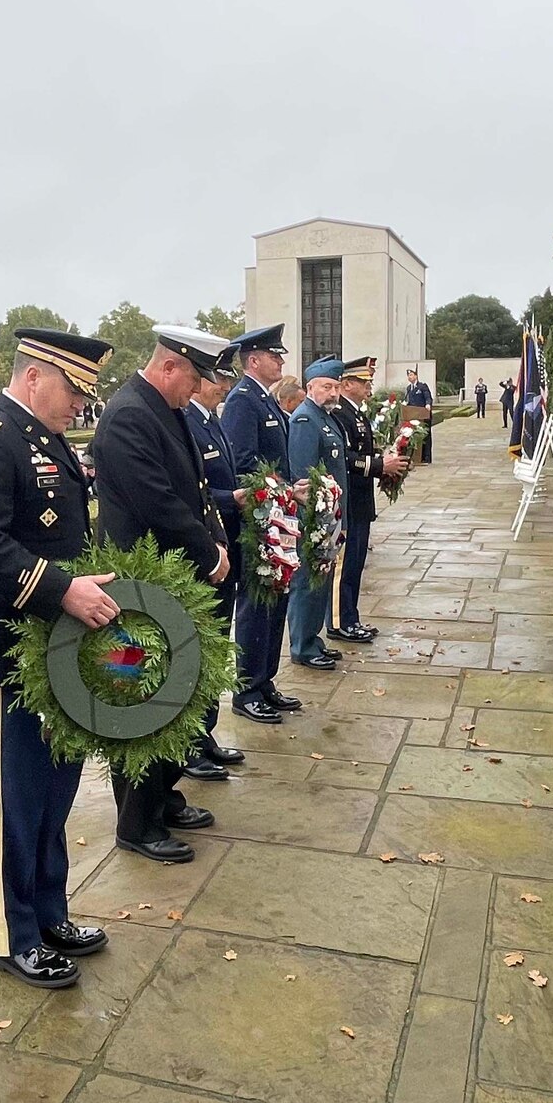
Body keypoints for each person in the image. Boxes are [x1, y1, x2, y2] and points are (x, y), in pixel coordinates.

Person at [0, 328, 118, 990]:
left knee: (54, 794)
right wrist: (60, 588)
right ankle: (11, 936)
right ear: (36, 375)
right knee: (12, 801)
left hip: (57, 647)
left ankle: (49, 912)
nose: (80, 402)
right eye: (74, 388)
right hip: (7, 652)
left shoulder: (45, 439)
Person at [89, 327, 233, 863]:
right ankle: (136, 822)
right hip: (141, 584)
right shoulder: (130, 414)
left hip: (172, 578)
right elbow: (156, 503)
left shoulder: (163, 408)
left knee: (176, 700)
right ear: (169, 366)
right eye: (193, 377)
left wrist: (215, 538)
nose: (195, 390)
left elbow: (194, 490)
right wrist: (207, 548)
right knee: (144, 704)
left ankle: (161, 795)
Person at [219, 325, 300, 725]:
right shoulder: (242, 402)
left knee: (276, 601)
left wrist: (291, 488)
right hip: (258, 522)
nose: (281, 362)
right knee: (256, 604)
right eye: (275, 356)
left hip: (277, 516)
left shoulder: (265, 401)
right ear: (254, 360)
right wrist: (283, 488)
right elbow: (244, 464)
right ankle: (246, 688)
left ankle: (265, 679)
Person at [181, 345, 249, 779]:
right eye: (217, 378)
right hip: (205, 554)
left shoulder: (211, 420)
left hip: (222, 544)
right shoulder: (188, 419)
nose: (224, 385)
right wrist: (233, 499)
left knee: (216, 649)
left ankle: (205, 735)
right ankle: (190, 746)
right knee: (200, 654)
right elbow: (197, 492)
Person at [328, 356, 405, 643]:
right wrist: (377, 466)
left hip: (361, 499)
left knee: (356, 562)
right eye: (363, 381)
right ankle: (339, 622)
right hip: (348, 499)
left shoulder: (357, 413)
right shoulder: (339, 413)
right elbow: (345, 458)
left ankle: (351, 617)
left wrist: (383, 462)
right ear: (347, 384)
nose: (369, 385)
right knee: (345, 565)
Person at [287, 358, 349, 670]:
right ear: (310, 387)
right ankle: (302, 645)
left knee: (321, 582)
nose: (333, 392)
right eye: (326, 386)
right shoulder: (305, 420)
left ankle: (313, 639)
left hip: (331, 517)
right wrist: (317, 520)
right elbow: (303, 474)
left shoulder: (325, 417)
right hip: (315, 519)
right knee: (307, 582)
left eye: (336, 387)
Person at [403, 368, 435, 463]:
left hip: (423, 416)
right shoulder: (409, 388)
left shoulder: (422, 386)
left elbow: (428, 397)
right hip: (413, 416)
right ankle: (416, 457)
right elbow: (407, 401)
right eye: (408, 375)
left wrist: (428, 404)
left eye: (412, 375)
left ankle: (427, 457)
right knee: (415, 436)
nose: (410, 377)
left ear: (416, 376)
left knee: (426, 436)